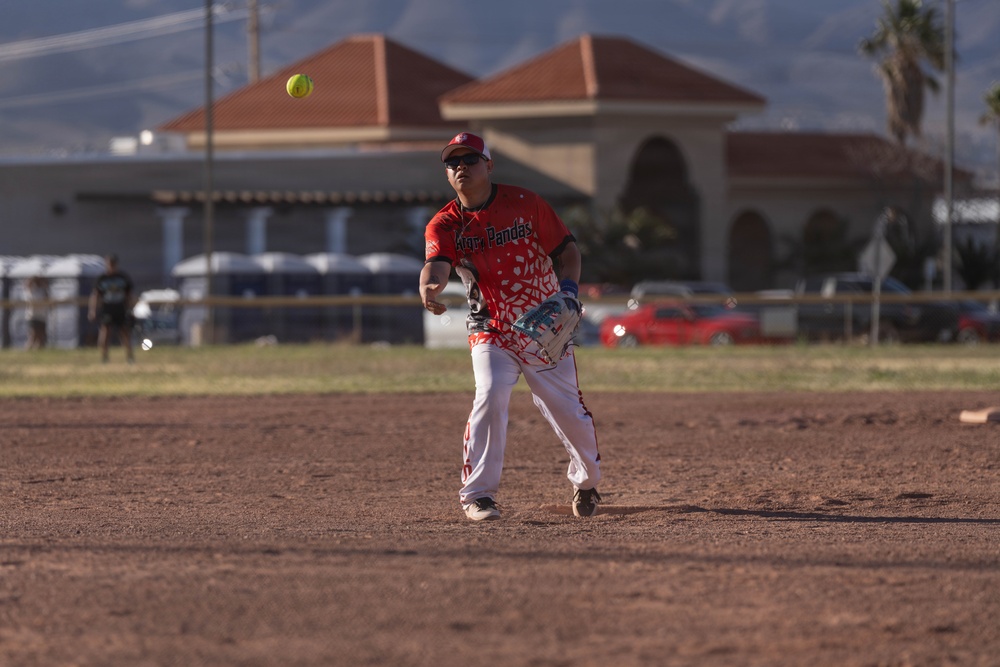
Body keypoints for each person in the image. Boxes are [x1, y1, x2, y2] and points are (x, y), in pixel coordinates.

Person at [420, 132, 602, 521]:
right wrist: (430, 285)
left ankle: (586, 481)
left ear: (489, 165)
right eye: (453, 162)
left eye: (470, 159)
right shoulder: (445, 224)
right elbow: (436, 263)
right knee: (489, 395)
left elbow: (567, 251)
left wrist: (568, 290)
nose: (461, 167)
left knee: (567, 410)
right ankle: (478, 496)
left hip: (545, 325)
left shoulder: (525, 203)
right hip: (491, 327)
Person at [88, 253, 135, 363]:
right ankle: (104, 357)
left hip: (120, 308)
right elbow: (96, 295)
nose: (111, 267)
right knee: (105, 332)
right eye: (109, 264)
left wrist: (131, 309)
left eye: (113, 264)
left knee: (124, 333)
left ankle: (130, 357)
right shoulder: (102, 279)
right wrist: (92, 310)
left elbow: (129, 295)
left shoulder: (122, 278)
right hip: (107, 309)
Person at [24, 275, 49, 350]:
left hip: (42, 316)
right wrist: (33, 280)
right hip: (33, 316)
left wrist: (44, 284)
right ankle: (28, 350)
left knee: (41, 336)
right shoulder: (31, 291)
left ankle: (38, 351)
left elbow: (47, 299)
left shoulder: (43, 291)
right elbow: (27, 285)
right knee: (33, 335)